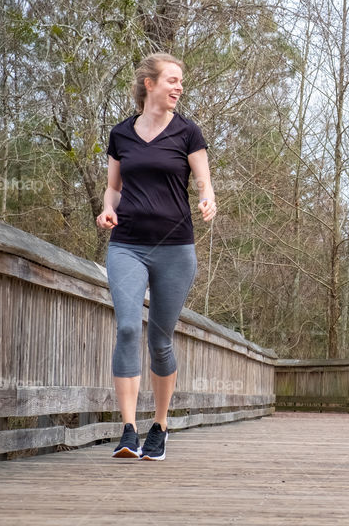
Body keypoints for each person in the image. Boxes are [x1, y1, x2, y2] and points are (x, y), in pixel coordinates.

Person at [95, 53, 216, 461]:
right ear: (149, 84)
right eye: (172, 80)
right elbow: (113, 188)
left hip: (175, 247)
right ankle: (128, 430)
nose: (179, 87)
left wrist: (206, 199)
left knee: (159, 339)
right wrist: (108, 207)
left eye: (181, 82)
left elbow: (203, 181)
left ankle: (159, 427)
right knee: (128, 329)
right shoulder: (120, 134)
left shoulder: (187, 133)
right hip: (126, 244)